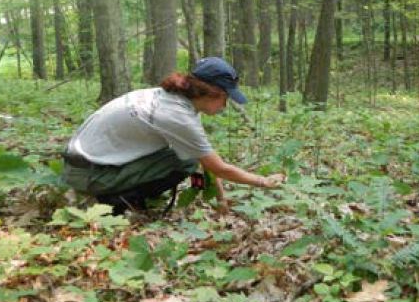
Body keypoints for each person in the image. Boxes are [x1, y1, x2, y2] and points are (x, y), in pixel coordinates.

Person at [62, 57, 285, 215]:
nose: (225, 106)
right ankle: (113, 203)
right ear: (211, 93)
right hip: (89, 173)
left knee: (185, 157)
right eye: (225, 98)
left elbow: (207, 160)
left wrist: (221, 201)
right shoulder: (176, 116)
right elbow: (218, 167)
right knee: (184, 161)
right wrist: (263, 182)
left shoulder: (175, 101)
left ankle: (120, 196)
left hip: (85, 165)